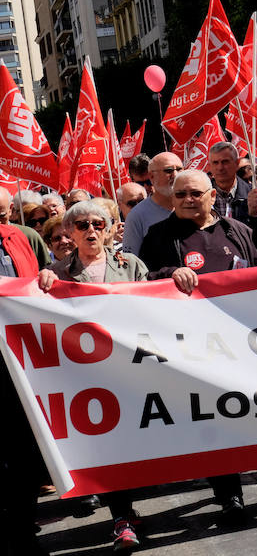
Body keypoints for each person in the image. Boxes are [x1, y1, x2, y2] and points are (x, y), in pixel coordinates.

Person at [138, 169, 257, 524]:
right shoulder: (159, 235)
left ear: (212, 196)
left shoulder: (238, 232)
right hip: (193, 343)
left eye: (195, 193)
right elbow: (145, 278)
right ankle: (229, 494)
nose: (187, 200)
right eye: (180, 195)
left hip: (241, 340)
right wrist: (169, 274)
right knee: (215, 416)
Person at [37, 200, 148, 552]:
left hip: (131, 370)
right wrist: (42, 284)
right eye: (81, 224)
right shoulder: (57, 273)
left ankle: (125, 509)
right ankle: (122, 519)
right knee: (107, 447)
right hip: (85, 377)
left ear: (111, 228)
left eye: (98, 224)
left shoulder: (130, 266)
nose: (90, 231)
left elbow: (156, 309)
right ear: (69, 231)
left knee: (133, 445)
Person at [0, 220, 49, 555]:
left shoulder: (19, 236)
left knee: (21, 448)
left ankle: (22, 528)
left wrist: (48, 278)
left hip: (17, 359)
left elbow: (40, 277)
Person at [122, 152, 183, 255]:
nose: (175, 175)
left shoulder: (195, 205)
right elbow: (131, 263)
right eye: (168, 171)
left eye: (179, 169)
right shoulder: (136, 216)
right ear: (152, 176)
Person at [209, 141, 251, 223]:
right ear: (210, 166)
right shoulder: (201, 196)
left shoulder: (254, 195)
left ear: (237, 163)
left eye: (225, 162)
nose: (220, 167)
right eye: (215, 162)